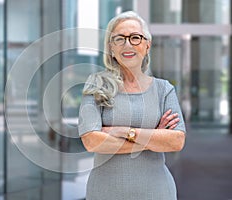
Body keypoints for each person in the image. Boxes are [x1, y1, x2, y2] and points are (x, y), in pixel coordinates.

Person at [78, 11, 186, 200]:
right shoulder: (96, 84)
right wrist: (153, 139)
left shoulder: (164, 89)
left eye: (135, 37)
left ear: (147, 45)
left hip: (157, 192)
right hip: (105, 193)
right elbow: (91, 141)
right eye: (119, 39)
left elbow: (176, 141)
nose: (128, 44)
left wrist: (123, 131)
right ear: (111, 47)